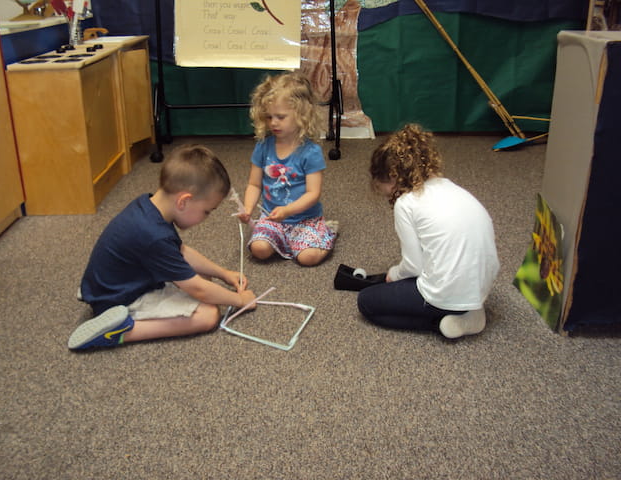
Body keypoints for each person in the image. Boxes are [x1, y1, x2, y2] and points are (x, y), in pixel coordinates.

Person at [68, 144, 257, 350]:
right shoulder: (153, 236)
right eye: (206, 211)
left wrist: (223, 273)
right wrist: (239, 300)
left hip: (111, 285)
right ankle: (120, 331)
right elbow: (198, 289)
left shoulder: (149, 206)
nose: (205, 218)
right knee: (208, 315)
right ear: (183, 201)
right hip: (117, 299)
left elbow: (180, 251)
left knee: (204, 278)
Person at [357, 124, 500, 339]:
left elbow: (414, 266)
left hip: (445, 293)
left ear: (392, 176)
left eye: (382, 187)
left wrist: (394, 274)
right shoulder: (449, 186)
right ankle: (469, 309)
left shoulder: (405, 203)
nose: (385, 194)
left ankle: (444, 321)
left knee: (367, 302)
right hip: (482, 286)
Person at [237, 71, 337, 267]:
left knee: (307, 258)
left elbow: (313, 193)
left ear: (301, 114)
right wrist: (248, 208)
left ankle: (328, 232)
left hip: (305, 219)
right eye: (269, 117)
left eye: (280, 117)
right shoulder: (263, 146)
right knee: (259, 249)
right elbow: (254, 184)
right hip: (272, 217)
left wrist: (288, 210)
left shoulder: (310, 151)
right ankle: (287, 241)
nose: (273, 122)